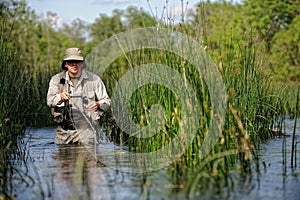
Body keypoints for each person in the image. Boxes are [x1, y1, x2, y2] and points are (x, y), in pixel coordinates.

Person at [47, 47, 111, 145]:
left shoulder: (94, 79)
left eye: (77, 61)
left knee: (86, 157)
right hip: (63, 131)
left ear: (82, 63)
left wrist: (98, 104)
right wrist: (60, 98)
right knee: (62, 158)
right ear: (65, 64)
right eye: (70, 61)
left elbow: (107, 101)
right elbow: (49, 101)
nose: (74, 64)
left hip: (87, 131)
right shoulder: (56, 80)